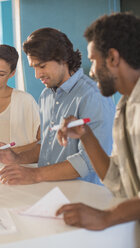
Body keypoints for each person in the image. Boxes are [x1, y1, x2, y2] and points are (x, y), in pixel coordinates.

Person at [0, 28, 115, 185]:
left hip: (84, 198)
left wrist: (35, 174)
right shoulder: (46, 95)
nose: (37, 74)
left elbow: (88, 161)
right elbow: (46, 146)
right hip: (50, 191)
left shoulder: (93, 96)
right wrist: (16, 158)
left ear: (62, 58)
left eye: (41, 66)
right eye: (33, 67)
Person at [56, 12, 140, 230]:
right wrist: (85, 134)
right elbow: (117, 182)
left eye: (93, 60)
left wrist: (107, 217)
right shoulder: (125, 106)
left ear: (112, 58)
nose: (91, 72)